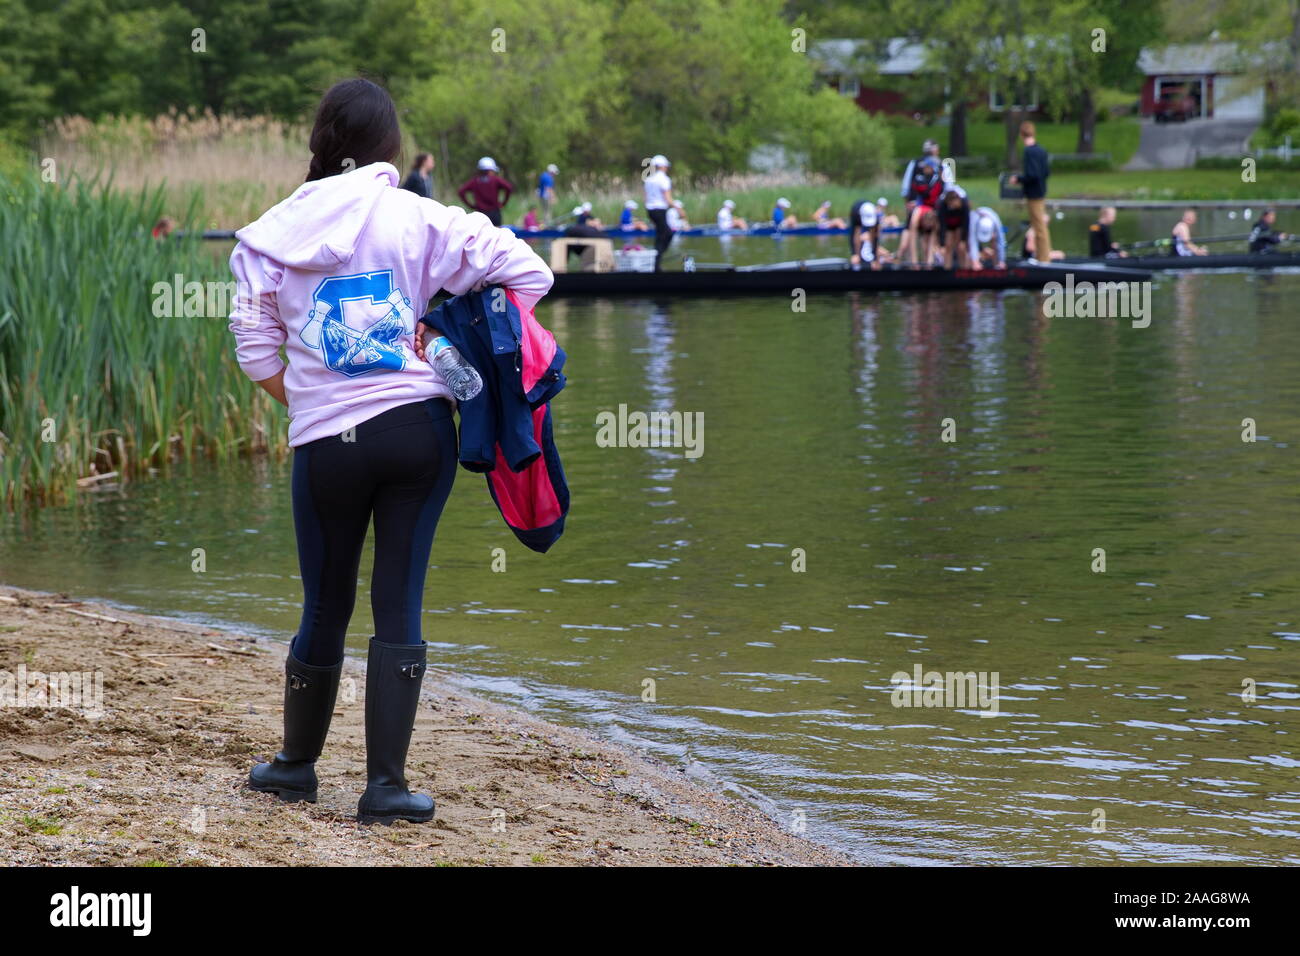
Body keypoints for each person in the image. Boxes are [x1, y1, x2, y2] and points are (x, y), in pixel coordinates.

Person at [229, 78, 551, 825]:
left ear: (321, 143)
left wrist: (313, 402)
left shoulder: (269, 235)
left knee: (325, 601)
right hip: (416, 433)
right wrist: (441, 327)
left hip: (326, 446)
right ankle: (385, 789)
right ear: (389, 149)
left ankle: (294, 770)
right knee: (397, 599)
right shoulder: (420, 217)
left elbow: (254, 350)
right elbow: (529, 274)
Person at [1008, 122, 1051, 262]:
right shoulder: (1042, 150)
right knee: (1039, 226)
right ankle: (1042, 257)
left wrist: (1018, 179)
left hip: (1034, 194)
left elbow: (1032, 175)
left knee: (1039, 228)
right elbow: (1046, 172)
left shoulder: (1029, 151)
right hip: (1041, 192)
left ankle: (1044, 259)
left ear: (1022, 135)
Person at [897, 150, 944, 264]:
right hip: (920, 208)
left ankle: (930, 262)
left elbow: (937, 197)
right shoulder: (920, 179)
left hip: (932, 211)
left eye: (926, 167)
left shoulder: (938, 180)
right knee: (914, 231)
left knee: (930, 239)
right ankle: (913, 261)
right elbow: (914, 193)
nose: (923, 169)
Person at [457, 156, 514, 227]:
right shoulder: (495, 180)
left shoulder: (475, 181)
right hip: (494, 213)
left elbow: (461, 191)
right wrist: (504, 203)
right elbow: (508, 187)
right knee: (496, 234)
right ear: (490, 170)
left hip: (480, 214)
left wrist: (470, 205)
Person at [644, 154, 674, 271]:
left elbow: (646, 199)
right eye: (666, 166)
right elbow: (668, 199)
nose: (667, 168)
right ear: (662, 166)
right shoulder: (664, 179)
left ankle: (656, 262)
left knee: (659, 236)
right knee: (668, 234)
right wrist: (679, 210)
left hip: (650, 211)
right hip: (660, 210)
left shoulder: (648, 179)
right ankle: (657, 259)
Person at [937, 185, 971, 269]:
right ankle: (947, 269)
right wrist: (942, 244)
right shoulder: (942, 206)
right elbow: (942, 225)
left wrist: (963, 240)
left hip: (959, 224)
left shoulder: (964, 204)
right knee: (948, 247)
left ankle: (964, 270)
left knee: (961, 248)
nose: (953, 206)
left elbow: (965, 224)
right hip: (948, 225)